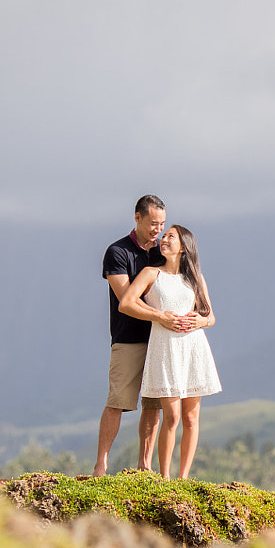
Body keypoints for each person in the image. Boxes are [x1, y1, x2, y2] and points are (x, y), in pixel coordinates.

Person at [117, 225, 220, 479]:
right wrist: (159, 316)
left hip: (193, 348)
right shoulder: (151, 273)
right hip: (165, 349)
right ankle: (165, 477)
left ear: (184, 246)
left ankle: (183, 477)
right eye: (164, 236)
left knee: (191, 417)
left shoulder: (194, 278)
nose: (163, 239)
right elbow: (126, 303)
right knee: (171, 416)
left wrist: (200, 321)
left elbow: (211, 317)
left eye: (170, 236)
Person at [92, 195, 185, 475]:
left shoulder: (163, 252)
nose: (158, 230)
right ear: (137, 217)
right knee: (117, 401)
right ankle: (101, 465)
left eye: (162, 224)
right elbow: (126, 299)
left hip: (160, 339)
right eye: (153, 223)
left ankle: (144, 467)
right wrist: (161, 316)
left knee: (153, 404)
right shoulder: (117, 252)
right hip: (127, 338)